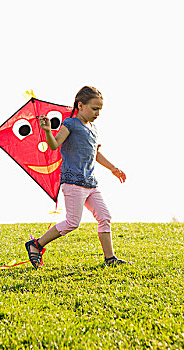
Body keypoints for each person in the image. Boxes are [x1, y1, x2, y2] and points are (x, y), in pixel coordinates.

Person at [25, 86, 130, 269]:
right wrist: (48, 130)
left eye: (100, 109)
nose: (98, 113)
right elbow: (54, 144)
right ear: (80, 105)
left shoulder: (93, 128)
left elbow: (95, 153)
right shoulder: (70, 124)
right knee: (72, 222)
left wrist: (113, 168)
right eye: (94, 108)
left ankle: (110, 258)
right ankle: (37, 244)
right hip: (73, 182)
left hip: (90, 183)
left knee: (105, 217)